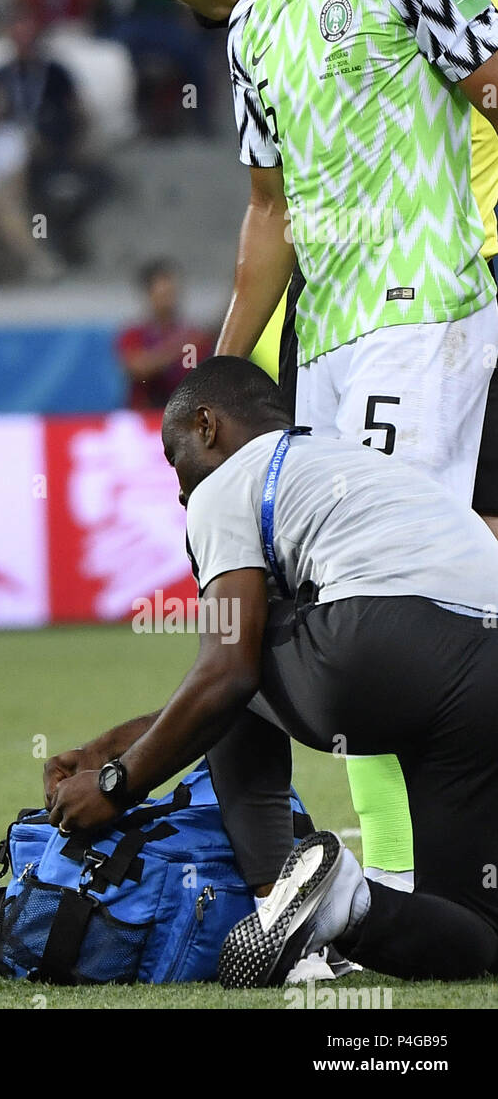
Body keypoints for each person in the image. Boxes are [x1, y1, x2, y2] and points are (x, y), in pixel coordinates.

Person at [0, 0, 498, 902]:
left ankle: (399, 877)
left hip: (429, 321)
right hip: (330, 348)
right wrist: (225, 367)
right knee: (310, 607)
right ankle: (374, 877)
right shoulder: (255, 25)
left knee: (392, 607)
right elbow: (268, 211)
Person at [43, 355, 498, 984]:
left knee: (234, 663)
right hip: (485, 671)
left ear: (207, 426)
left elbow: (228, 678)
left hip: (384, 643)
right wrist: (104, 747)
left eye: (176, 461)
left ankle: (275, 909)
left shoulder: (230, 479)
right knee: (474, 937)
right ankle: (345, 905)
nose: (180, 489)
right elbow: (248, 682)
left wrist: (117, 783)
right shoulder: (347, 463)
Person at [116, 258, 213, 410]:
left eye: (172, 294)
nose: (169, 301)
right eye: (163, 295)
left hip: (182, 417)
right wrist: (181, 346)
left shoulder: (196, 337)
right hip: (144, 418)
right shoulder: (133, 335)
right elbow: (139, 369)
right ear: (149, 295)